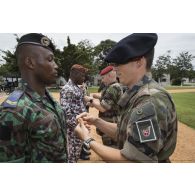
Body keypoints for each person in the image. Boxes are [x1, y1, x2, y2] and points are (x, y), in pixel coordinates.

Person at [75, 33, 177, 163]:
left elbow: (133, 161)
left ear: (139, 62)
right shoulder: (137, 93)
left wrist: (87, 139)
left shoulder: (148, 101)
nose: (115, 69)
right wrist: (96, 121)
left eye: (119, 63)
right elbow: (127, 131)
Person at [0, 33, 67, 162]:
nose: (56, 65)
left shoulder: (47, 98)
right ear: (30, 62)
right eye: (50, 59)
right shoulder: (13, 111)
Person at [85, 65, 125, 147]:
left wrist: (90, 100)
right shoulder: (113, 86)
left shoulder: (113, 88)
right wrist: (97, 98)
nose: (102, 81)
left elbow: (103, 108)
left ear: (109, 76)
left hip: (110, 124)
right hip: (110, 123)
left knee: (111, 150)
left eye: (103, 78)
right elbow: (108, 100)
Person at [60, 64, 90, 162]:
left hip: (79, 128)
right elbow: (66, 114)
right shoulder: (68, 89)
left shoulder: (76, 88)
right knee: (71, 157)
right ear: (75, 74)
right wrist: (79, 127)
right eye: (82, 75)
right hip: (73, 131)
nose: (84, 78)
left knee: (76, 155)